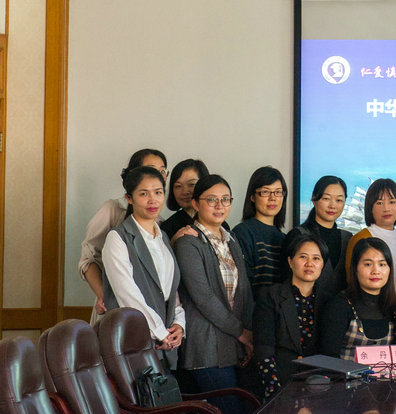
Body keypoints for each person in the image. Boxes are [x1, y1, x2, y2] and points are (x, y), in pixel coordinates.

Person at [174, 174, 254, 414]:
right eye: (211, 199)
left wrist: (247, 335)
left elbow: (244, 291)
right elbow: (204, 298)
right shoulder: (189, 242)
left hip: (233, 342)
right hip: (206, 347)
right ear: (196, 204)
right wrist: (241, 333)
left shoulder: (231, 240)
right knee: (231, 410)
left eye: (225, 199)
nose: (220, 206)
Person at [102, 166, 185, 368]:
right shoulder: (117, 237)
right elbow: (127, 294)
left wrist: (179, 324)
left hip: (165, 343)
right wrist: (160, 331)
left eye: (158, 192)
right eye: (143, 194)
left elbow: (171, 290)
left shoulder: (163, 237)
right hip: (132, 341)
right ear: (129, 198)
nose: (152, 200)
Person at [79, 148, 168, 323]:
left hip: (154, 311)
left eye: (163, 170)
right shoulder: (112, 209)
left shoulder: (160, 222)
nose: (159, 175)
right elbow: (88, 260)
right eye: (151, 169)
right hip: (114, 306)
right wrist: (104, 295)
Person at [254, 233, 328, 401]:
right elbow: (263, 349)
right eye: (303, 257)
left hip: (317, 388)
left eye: (316, 258)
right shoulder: (270, 296)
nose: (309, 263)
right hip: (279, 383)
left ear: (323, 264)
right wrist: (275, 392)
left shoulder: (329, 301)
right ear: (290, 261)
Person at [319, 237, 396, 360]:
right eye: (368, 264)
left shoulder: (395, 308)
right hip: (342, 372)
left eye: (382, 264)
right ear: (355, 269)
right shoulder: (340, 306)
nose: (376, 271)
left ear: (390, 269)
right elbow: (328, 357)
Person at [344, 178, 396, 303]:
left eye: (392, 202)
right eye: (379, 203)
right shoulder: (361, 239)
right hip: (375, 310)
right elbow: (352, 281)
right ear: (370, 207)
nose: (386, 208)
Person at [281, 175, 351, 295]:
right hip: (303, 304)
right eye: (326, 198)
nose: (332, 206)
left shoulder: (348, 239)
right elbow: (285, 279)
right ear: (314, 199)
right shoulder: (297, 235)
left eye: (339, 200)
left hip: (339, 306)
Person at [232, 166, 288, 295]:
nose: (273, 198)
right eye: (266, 192)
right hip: (253, 305)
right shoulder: (242, 233)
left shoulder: (285, 238)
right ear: (252, 196)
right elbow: (243, 283)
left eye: (278, 192)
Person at [161, 159, 211, 243]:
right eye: (178, 186)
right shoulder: (168, 228)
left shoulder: (218, 222)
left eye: (191, 184)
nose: (185, 191)